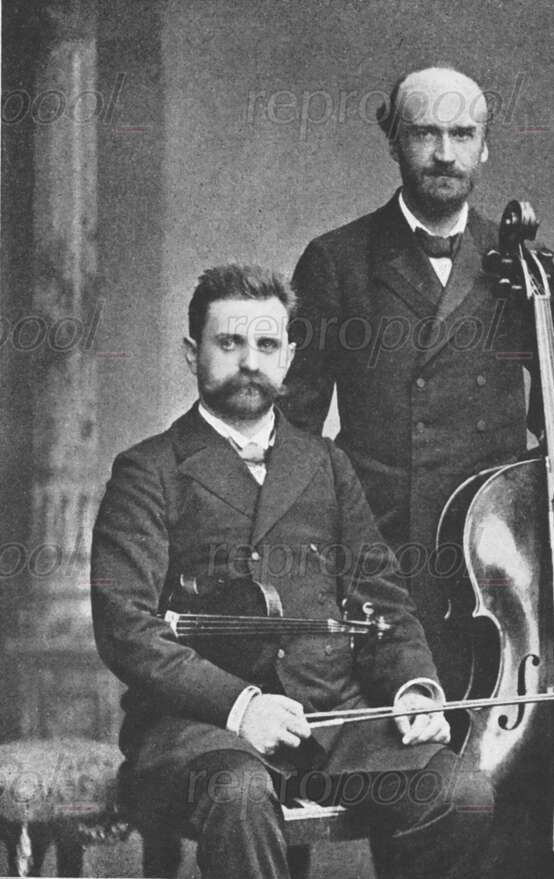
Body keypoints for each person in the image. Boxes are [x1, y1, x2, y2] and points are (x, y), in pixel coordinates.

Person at [91, 265, 492, 879]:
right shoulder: (147, 471)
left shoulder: (326, 463)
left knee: (459, 793)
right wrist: (240, 706)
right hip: (201, 729)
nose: (250, 362)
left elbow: (382, 600)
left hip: (332, 724)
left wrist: (412, 686)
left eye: (266, 344)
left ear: (289, 358)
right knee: (240, 795)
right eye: (230, 343)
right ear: (192, 353)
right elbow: (127, 627)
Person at [279, 66, 554, 699]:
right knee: (402, 724)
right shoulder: (336, 259)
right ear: (393, 141)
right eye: (425, 133)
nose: (445, 153)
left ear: (485, 146)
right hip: (383, 548)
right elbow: (295, 422)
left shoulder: (524, 264)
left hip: (496, 548)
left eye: (462, 134)